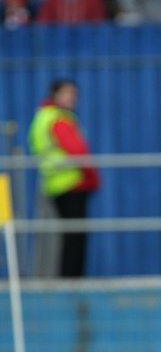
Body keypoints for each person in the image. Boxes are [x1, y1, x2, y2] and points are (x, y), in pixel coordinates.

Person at [28, 80, 100, 277]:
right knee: (75, 237)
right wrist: (92, 177)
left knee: (69, 235)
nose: (72, 98)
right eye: (67, 93)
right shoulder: (59, 119)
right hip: (71, 183)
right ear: (55, 94)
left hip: (55, 184)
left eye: (74, 94)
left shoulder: (43, 117)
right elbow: (77, 150)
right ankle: (72, 281)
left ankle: (68, 278)